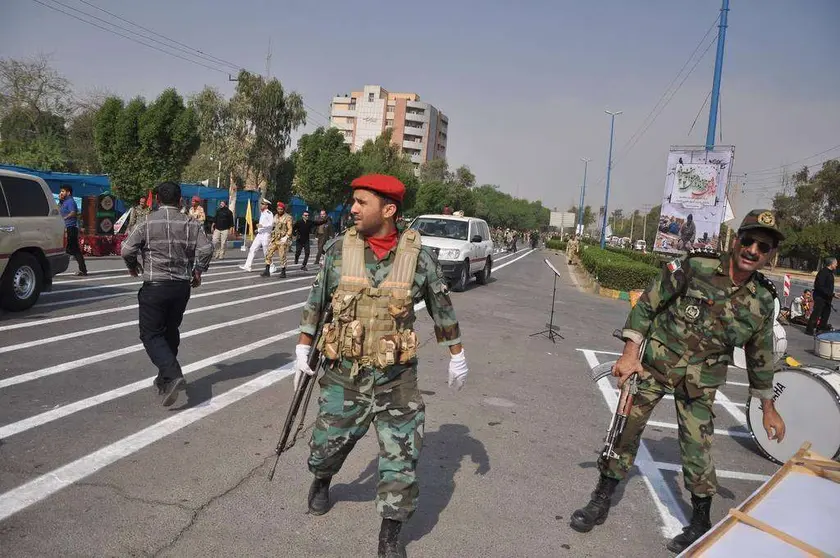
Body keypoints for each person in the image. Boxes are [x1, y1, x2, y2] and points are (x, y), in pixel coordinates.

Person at [570, 209, 787, 553]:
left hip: (701, 382)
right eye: (749, 241)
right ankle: (600, 499)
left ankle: (700, 521)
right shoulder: (695, 266)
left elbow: (761, 358)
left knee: (698, 450)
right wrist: (629, 355)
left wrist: (768, 408)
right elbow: (647, 306)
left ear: (770, 254)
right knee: (625, 430)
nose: (753, 251)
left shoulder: (762, 301)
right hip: (654, 366)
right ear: (737, 240)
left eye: (764, 247)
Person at [294, 174, 469, 558]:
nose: (353, 209)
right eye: (353, 201)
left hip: (397, 381)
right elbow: (317, 300)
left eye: (361, 203)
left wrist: (456, 353)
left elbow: (442, 308)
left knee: (401, 461)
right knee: (325, 448)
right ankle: (322, 479)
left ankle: (389, 538)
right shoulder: (340, 250)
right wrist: (303, 347)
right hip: (345, 376)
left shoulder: (419, 258)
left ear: (388, 210)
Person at [121, 182, 212, 406]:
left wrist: (133, 266)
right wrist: (198, 271)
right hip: (181, 287)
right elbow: (206, 249)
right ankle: (165, 379)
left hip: (155, 286)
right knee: (170, 330)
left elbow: (126, 249)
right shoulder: (192, 223)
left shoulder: (146, 222)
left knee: (150, 334)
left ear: (157, 201)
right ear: (180, 201)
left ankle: (172, 374)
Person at [58, 185, 88, 276]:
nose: (60, 193)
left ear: (68, 193)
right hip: (66, 228)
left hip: (71, 228)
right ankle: (83, 269)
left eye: (62, 191)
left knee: (73, 250)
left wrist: (64, 218)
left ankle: (83, 270)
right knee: (71, 249)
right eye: (60, 192)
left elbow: (73, 213)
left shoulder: (70, 201)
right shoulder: (64, 202)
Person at [805, 257, 838, 335]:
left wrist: (833, 293)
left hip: (827, 297)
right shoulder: (823, 272)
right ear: (832, 264)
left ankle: (821, 328)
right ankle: (809, 329)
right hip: (820, 297)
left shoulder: (830, 273)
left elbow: (828, 286)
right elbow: (820, 287)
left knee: (826, 313)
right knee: (817, 313)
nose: (837, 265)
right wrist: (832, 294)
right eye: (836, 263)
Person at [239, 199, 274, 272]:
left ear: (267, 206)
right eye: (261, 203)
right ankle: (247, 266)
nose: (261, 205)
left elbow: (271, 224)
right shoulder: (263, 213)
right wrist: (258, 229)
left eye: (263, 204)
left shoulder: (269, 213)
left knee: (266, 252)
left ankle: (271, 266)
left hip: (266, 235)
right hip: (260, 234)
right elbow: (261, 225)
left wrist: (262, 225)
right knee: (252, 249)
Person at [262, 201, 293, 278]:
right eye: (278, 209)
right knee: (268, 253)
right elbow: (273, 226)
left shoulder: (288, 217)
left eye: (281, 209)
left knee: (282, 255)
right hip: (274, 239)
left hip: (282, 239)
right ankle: (267, 270)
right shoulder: (275, 216)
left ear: (284, 209)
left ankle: (283, 271)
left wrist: (286, 237)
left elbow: (290, 229)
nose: (279, 210)